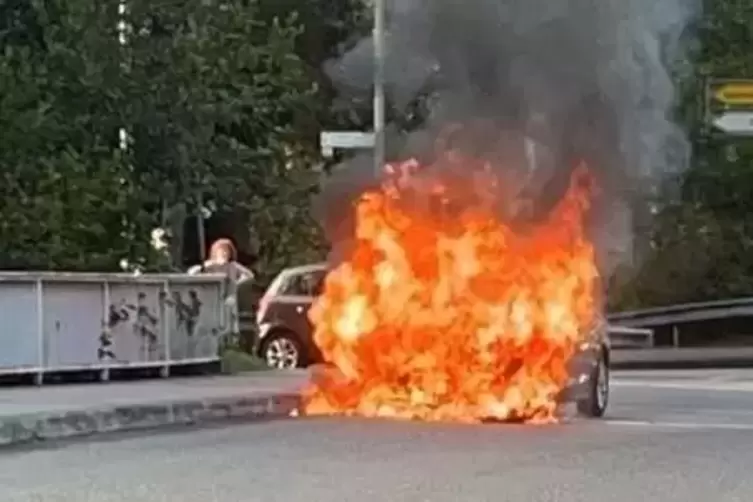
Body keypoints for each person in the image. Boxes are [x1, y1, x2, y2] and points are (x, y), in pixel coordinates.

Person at [188, 238, 254, 337]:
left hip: (228, 297)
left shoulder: (233, 266)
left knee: (229, 321)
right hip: (212, 300)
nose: (224, 254)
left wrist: (237, 283)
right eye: (221, 251)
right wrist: (206, 266)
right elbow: (192, 273)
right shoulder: (210, 265)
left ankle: (230, 341)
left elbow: (249, 275)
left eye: (226, 251)